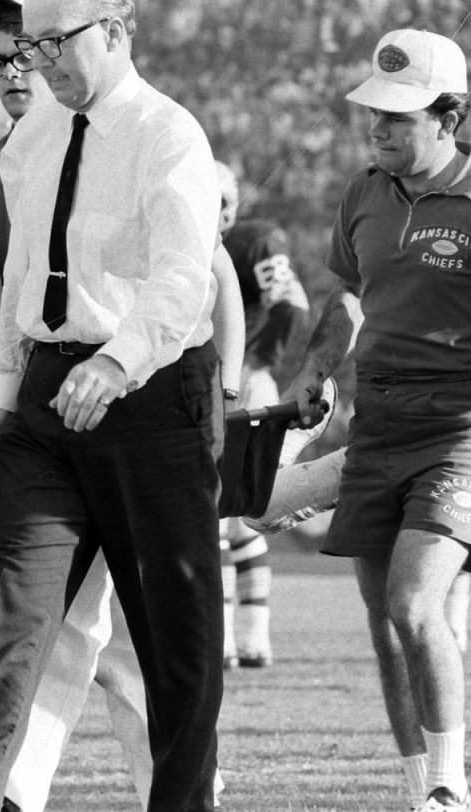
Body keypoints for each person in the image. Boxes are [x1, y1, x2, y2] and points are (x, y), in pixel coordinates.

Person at [0, 0, 224, 809]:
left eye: (59, 44)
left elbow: (186, 276)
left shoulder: (169, 134)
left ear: (117, 31)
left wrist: (119, 362)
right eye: (31, 47)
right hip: (48, 406)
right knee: (14, 623)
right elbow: (22, 269)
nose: (40, 64)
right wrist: (7, 395)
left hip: (152, 399)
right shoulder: (36, 133)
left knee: (173, 641)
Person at [283, 30, 471, 810]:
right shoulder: (362, 192)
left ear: (451, 115)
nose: (380, 127)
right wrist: (314, 373)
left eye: (400, 116)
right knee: (382, 621)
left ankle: (452, 786)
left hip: (459, 430)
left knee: (412, 603)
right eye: (376, 113)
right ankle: (416, 785)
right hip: (376, 425)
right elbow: (350, 298)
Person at [214, 159, 312, 669]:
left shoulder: (252, 241)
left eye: (222, 202)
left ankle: (230, 639)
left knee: (221, 514)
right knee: (232, 522)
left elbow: (293, 305)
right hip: (215, 385)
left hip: (237, 387)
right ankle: (248, 640)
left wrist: (256, 362)